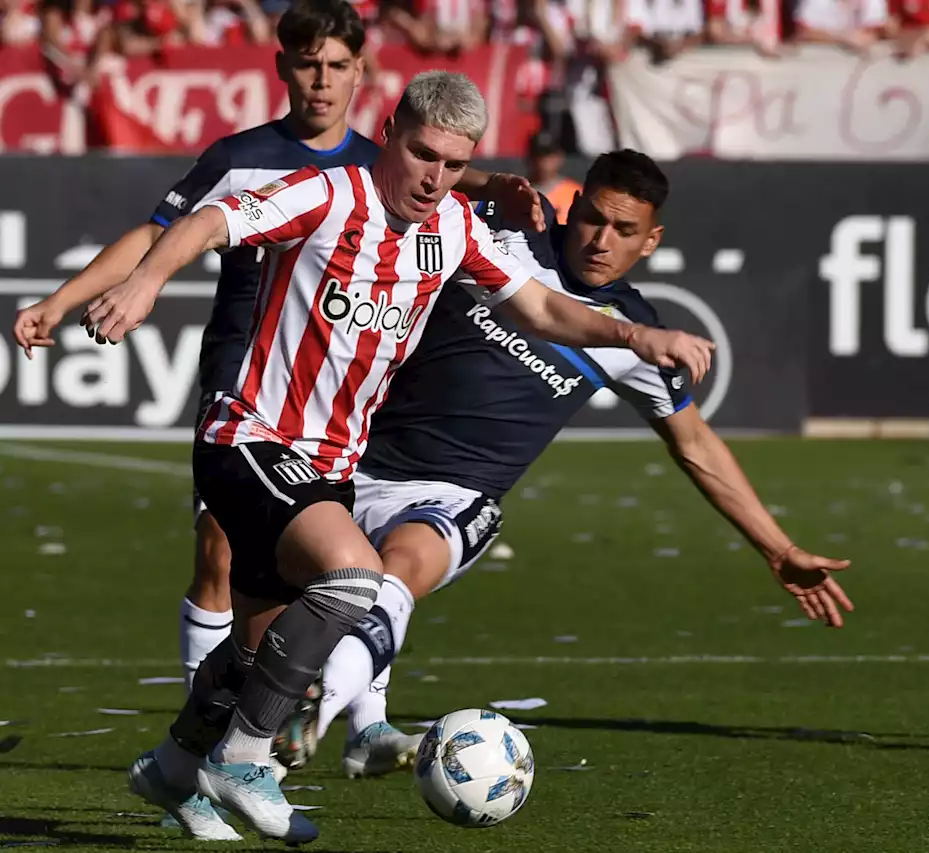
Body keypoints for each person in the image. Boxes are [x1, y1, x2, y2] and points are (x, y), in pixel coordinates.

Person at [84, 71, 713, 845]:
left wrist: (636, 335)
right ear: (390, 132)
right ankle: (243, 757)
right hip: (250, 437)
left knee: (253, 648)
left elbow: (546, 307)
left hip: (331, 466)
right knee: (353, 578)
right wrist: (146, 282)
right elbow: (212, 220)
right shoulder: (327, 194)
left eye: (454, 164)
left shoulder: (453, 228)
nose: (435, 178)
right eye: (423, 154)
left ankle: (175, 768)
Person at [11, 0, 543, 702]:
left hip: (337, 393)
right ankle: (212, 720)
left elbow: (448, 177)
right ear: (282, 65)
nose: (321, 80)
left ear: (362, 73)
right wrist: (64, 298)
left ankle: (324, 715)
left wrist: (494, 183)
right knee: (220, 550)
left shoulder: (383, 164)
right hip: (244, 376)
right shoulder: (241, 159)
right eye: (307, 62)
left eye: (337, 66)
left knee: (319, 568)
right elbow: (155, 235)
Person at [265, 150, 854, 779]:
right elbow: (414, 173)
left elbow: (695, 444)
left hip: (453, 494)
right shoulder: (500, 237)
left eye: (625, 231)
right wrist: (496, 184)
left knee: (399, 570)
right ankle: (361, 730)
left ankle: (311, 714)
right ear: (572, 209)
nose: (602, 241)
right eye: (595, 219)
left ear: (651, 241)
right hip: (349, 461)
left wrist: (777, 547)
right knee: (276, 606)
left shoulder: (634, 334)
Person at [526, 129, 582, 224]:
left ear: (560, 157)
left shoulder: (575, 192)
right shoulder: (519, 191)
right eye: (538, 155)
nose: (544, 161)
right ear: (529, 158)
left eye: (548, 155)